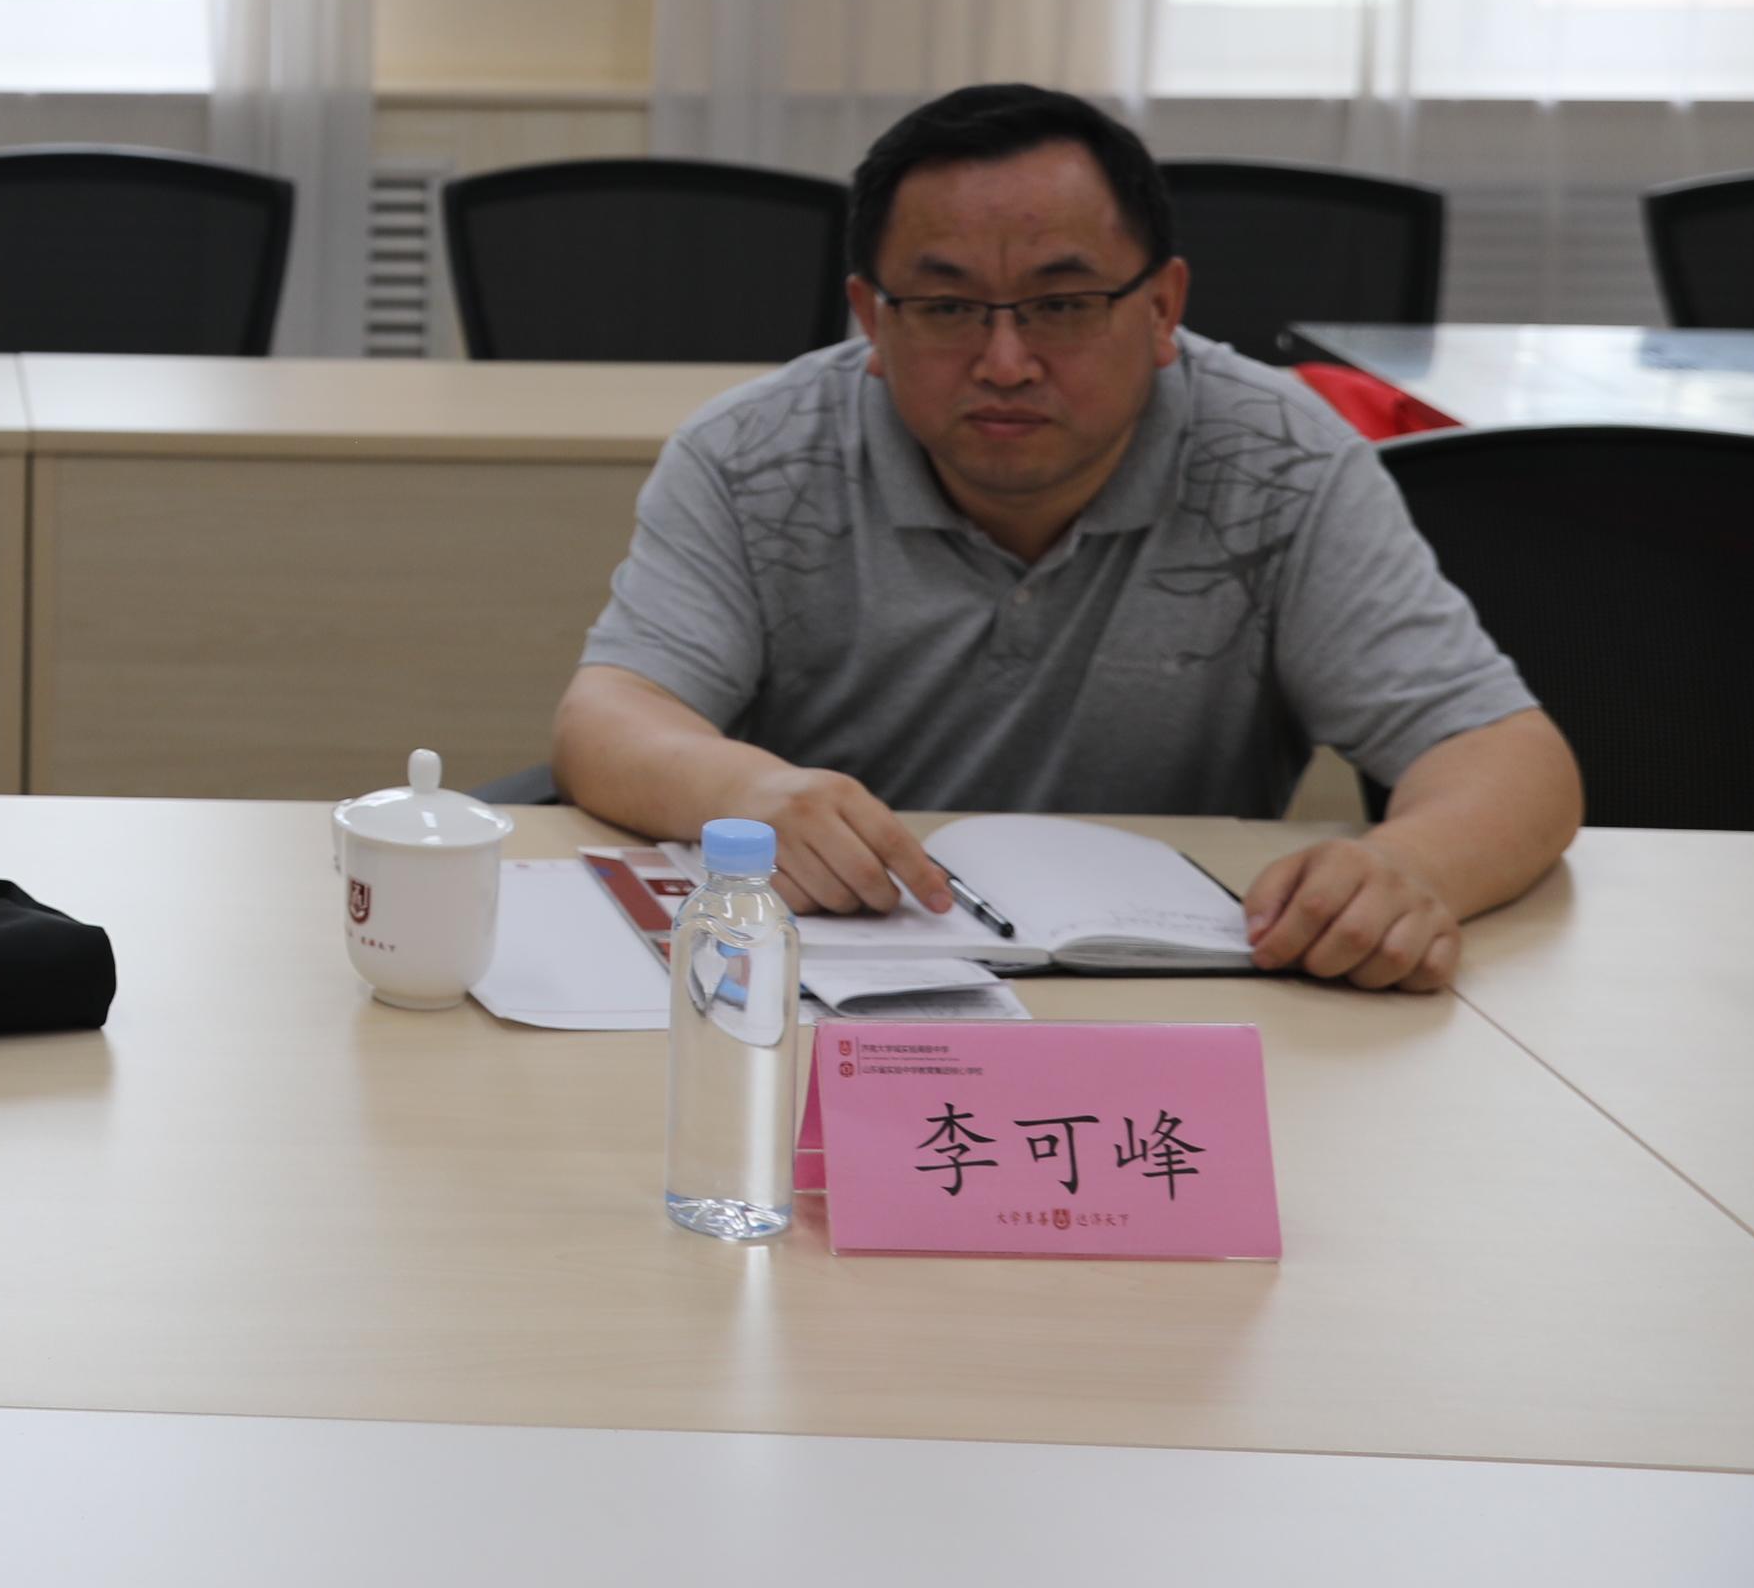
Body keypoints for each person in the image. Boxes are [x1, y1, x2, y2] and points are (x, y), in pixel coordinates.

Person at [549, 83, 1579, 992]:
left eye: (1063, 304)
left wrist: (1408, 867)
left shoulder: (1282, 460)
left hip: (1178, 995)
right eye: (946, 307)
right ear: (872, 319)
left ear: (1163, 306)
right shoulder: (752, 456)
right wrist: (746, 792)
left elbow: (1504, 754)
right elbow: (612, 713)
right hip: (833, 987)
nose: (1005, 361)